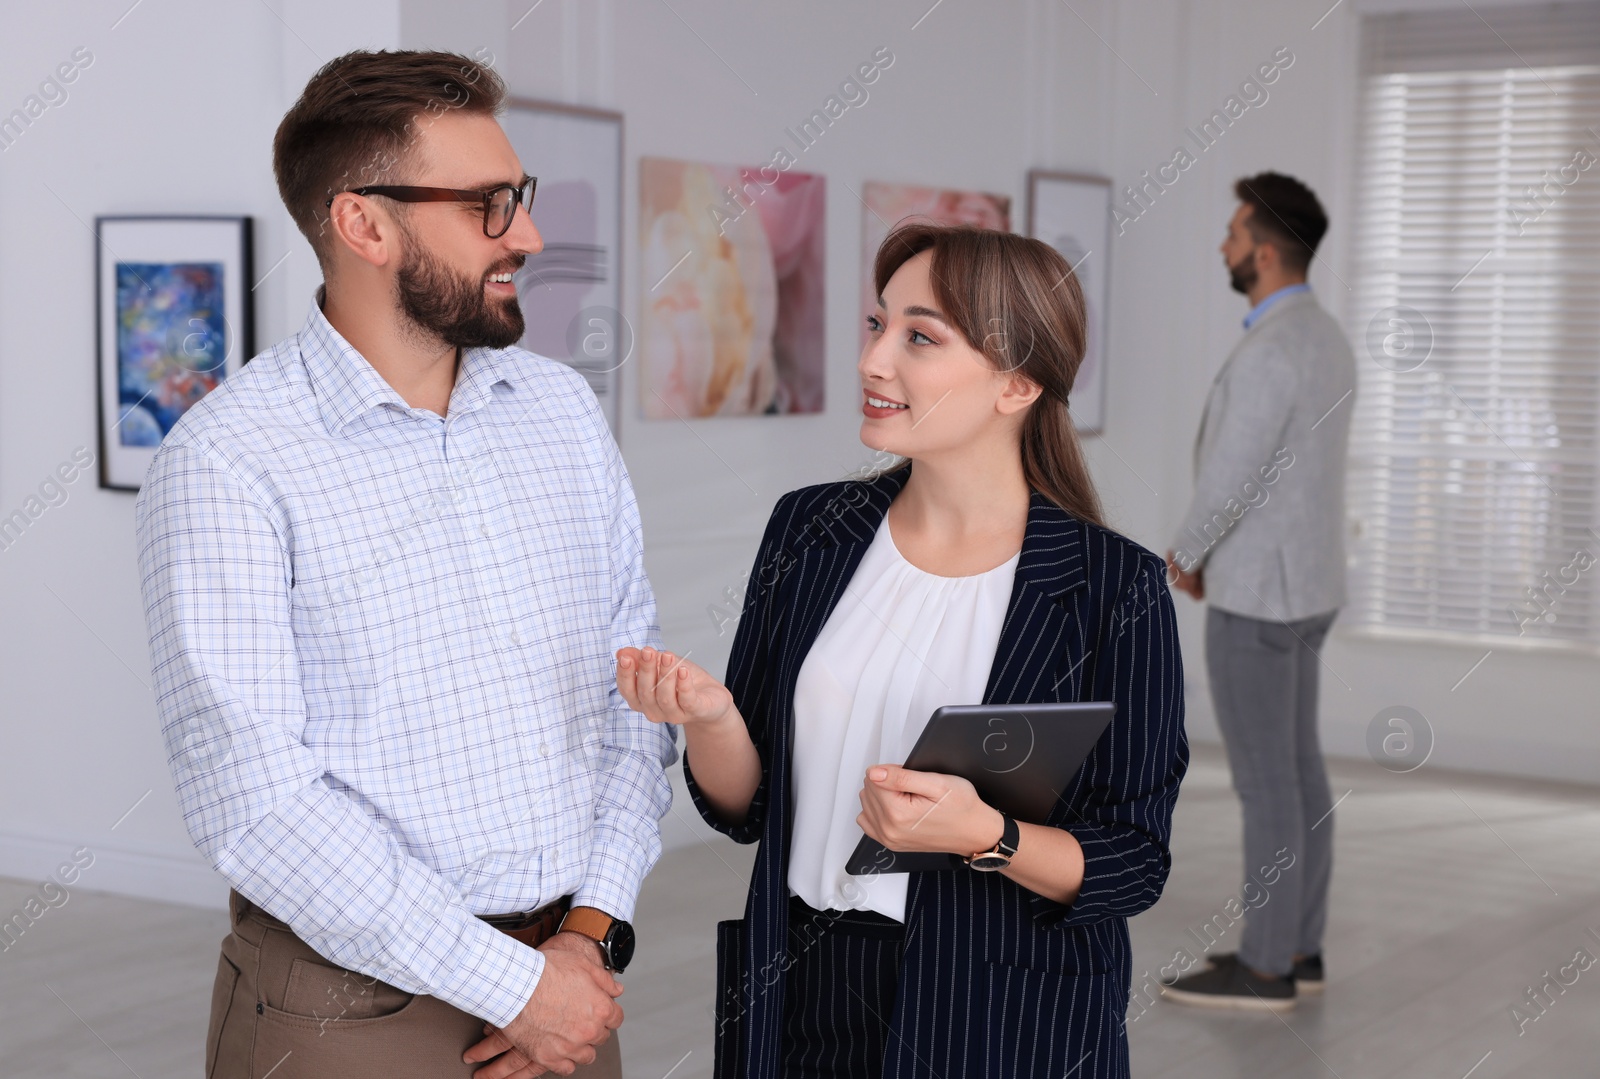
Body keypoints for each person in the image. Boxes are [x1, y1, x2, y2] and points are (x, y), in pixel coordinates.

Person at [134, 50, 674, 1079]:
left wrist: (587, 934)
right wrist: (513, 983)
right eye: (489, 204)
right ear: (364, 224)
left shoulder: (560, 411)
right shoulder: (227, 461)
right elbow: (258, 804)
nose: (529, 233)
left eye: (521, 197)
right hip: (346, 1016)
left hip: (567, 989)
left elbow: (630, 702)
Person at [617, 222, 1188, 1079]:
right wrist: (713, 718)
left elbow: (1134, 862)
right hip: (799, 983)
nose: (874, 360)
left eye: (920, 337)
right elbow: (748, 807)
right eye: (877, 325)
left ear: (1018, 383)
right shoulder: (809, 529)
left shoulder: (1117, 590)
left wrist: (985, 835)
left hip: (1000, 1012)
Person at [1162, 172, 1356, 1012]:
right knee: (1301, 774)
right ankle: (1301, 947)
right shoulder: (1327, 337)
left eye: (1235, 231)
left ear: (1265, 250)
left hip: (1258, 595)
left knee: (1268, 785)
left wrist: (1187, 552)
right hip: (1309, 587)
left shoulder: (1272, 349)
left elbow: (1233, 478)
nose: (1224, 244)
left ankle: (1267, 965)